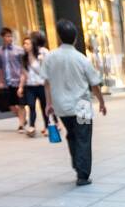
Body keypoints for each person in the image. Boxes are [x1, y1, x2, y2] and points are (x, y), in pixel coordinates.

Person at [42, 18, 106, 187]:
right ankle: (82, 174)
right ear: (76, 38)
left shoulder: (50, 58)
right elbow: (94, 84)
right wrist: (101, 102)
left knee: (72, 135)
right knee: (83, 137)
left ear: (59, 37)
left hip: (61, 106)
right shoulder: (81, 58)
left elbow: (47, 83)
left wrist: (48, 104)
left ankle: (78, 166)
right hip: (82, 105)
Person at [0, 27, 27, 133]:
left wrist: (24, 80)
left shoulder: (19, 50)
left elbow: (24, 66)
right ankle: (22, 119)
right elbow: (0, 68)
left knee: (21, 104)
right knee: (10, 105)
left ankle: (21, 124)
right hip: (7, 81)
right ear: (3, 37)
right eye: (7, 36)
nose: (10, 38)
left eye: (11, 36)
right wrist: (0, 81)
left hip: (18, 81)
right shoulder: (0, 51)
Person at [20, 31, 49, 135]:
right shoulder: (23, 58)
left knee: (44, 106)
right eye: (24, 44)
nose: (25, 46)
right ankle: (32, 126)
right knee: (31, 106)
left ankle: (47, 126)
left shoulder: (40, 56)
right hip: (30, 86)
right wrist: (21, 87)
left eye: (28, 43)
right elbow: (23, 74)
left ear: (33, 45)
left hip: (41, 85)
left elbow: (44, 71)